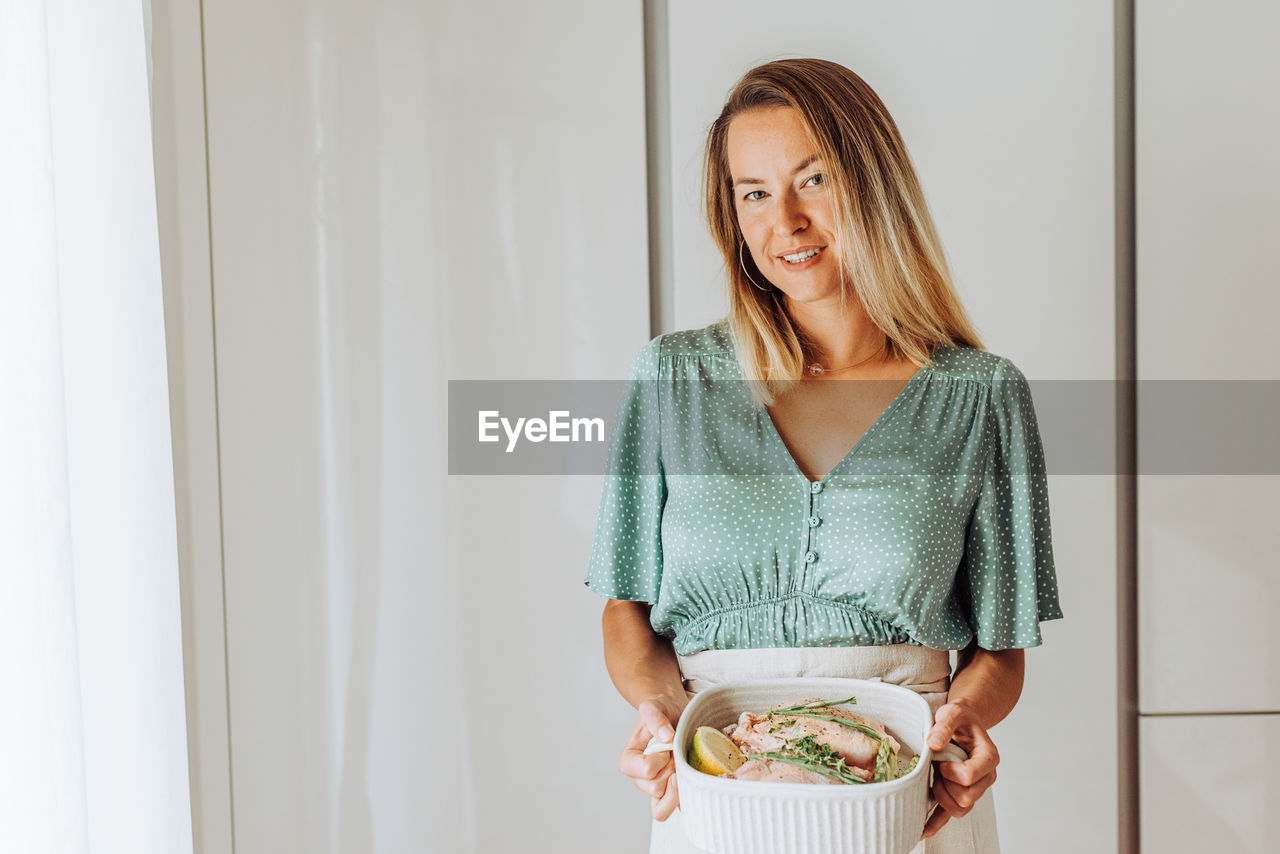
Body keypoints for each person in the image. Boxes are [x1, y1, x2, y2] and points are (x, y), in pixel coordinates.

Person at [583, 57, 1062, 854]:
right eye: (755, 193)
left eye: (814, 180)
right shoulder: (673, 376)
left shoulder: (981, 395)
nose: (786, 222)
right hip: (721, 785)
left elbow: (999, 647)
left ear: (875, 186)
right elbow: (624, 606)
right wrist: (658, 714)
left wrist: (966, 720)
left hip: (909, 790)